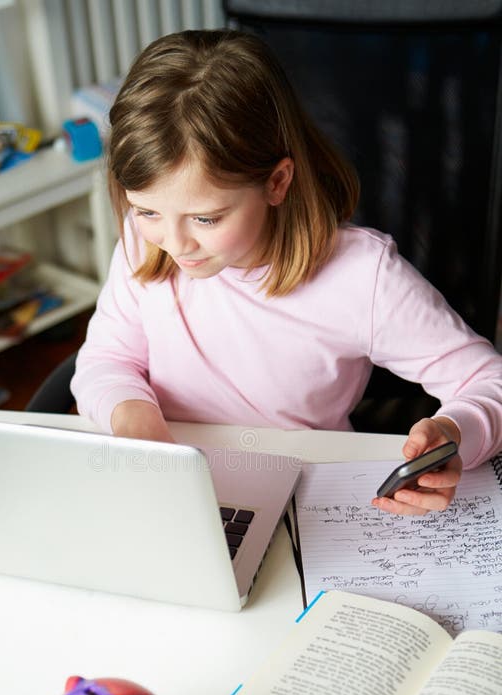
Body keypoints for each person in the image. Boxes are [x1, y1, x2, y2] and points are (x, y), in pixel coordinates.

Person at [71, 29, 502, 517]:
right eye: (147, 210)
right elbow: (106, 359)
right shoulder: (140, 241)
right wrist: (138, 423)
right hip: (167, 494)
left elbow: (488, 382)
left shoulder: (362, 277)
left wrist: (455, 432)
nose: (175, 243)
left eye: (206, 218)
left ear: (276, 182)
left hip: (305, 505)